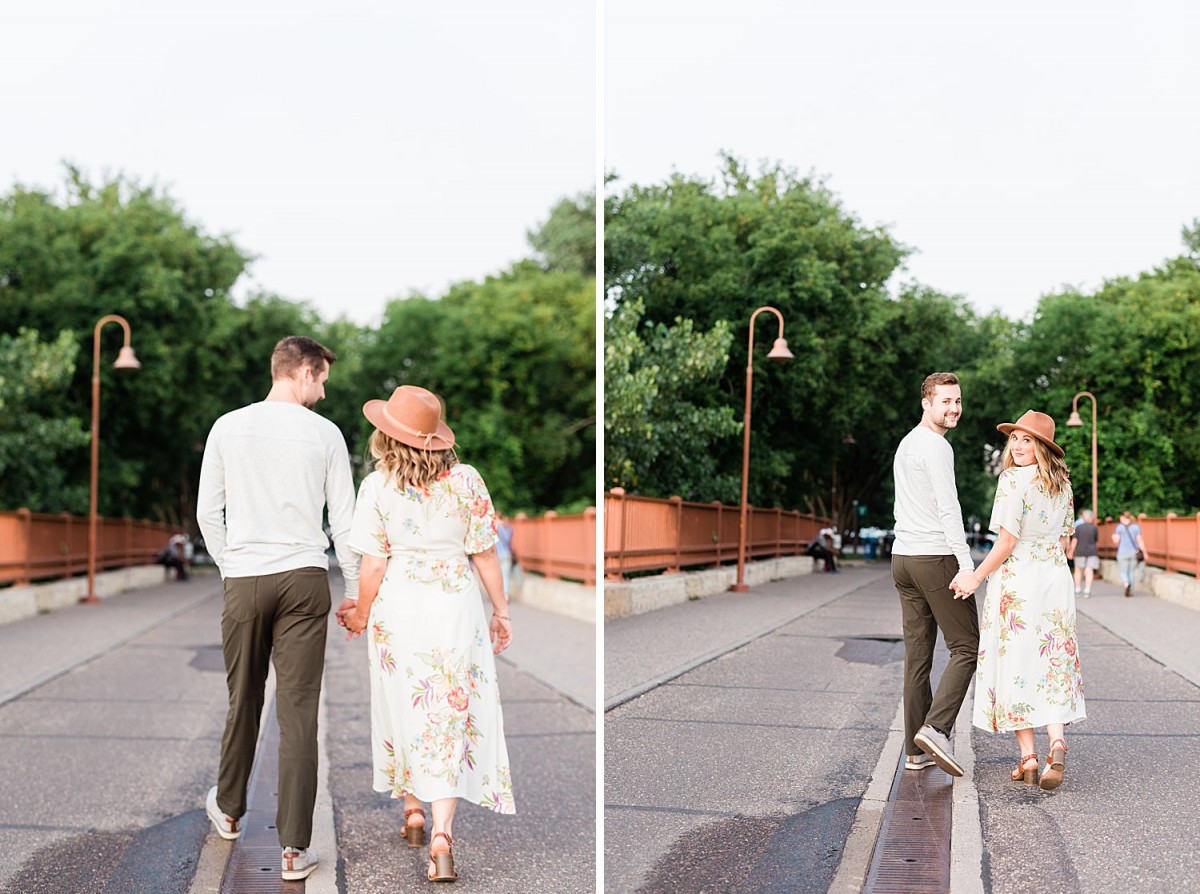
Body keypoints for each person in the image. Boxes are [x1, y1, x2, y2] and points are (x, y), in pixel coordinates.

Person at [196, 335, 361, 882]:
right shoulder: (326, 435)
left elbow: (207, 513)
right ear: (305, 372)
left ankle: (230, 810)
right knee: (298, 712)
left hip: (245, 576)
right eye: (322, 382)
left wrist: (229, 565)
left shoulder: (227, 425)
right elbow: (344, 525)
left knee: (242, 697)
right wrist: (355, 589)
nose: (323, 393)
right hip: (304, 577)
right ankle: (294, 849)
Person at [339, 385, 515, 883]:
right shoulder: (467, 480)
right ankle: (441, 835)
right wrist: (501, 612)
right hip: (455, 607)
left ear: (386, 435)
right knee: (449, 712)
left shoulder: (376, 486)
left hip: (399, 610)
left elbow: (373, 565)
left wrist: (360, 613)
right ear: (436, 438)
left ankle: (412, 811)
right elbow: (484, 553)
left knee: (406, 705)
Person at [962, 410, 1084, 791]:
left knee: (1017, 663)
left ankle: (1029, 758)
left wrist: (975, 577)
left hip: (1018, 582)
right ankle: (1057, 743)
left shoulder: (1013, 480)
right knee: (1053, 661)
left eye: (1027, 440)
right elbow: (1064, 538)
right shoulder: (1062, 484)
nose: (1016, 446)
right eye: (1014, 438)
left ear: (1042, 448)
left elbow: (1008, 541)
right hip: (1054, 579)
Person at [890, 372, 978, 776]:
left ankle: (915, 752)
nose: (954, 408)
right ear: (926, 402)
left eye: (957, 401)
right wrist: (966, 563)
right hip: (933, 556)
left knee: (918, 656)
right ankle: (936, 728)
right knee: (966, 646)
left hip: (902, 559)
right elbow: (948, 508)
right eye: (945, 401)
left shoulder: (906, 444)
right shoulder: (936, 447)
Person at [1113, 509, 1146, 598]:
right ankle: (1131, 590)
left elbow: (1116, 541)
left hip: (1122, 553)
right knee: (1131, 572)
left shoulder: (1119, 527)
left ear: (1122, 517)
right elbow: (1140, 541)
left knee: (1123, 572)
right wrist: (1145, 553)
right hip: (1133, 553)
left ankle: (1126, 584)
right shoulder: (1136, 527)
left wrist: (1113, 537)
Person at [1070, 509, 1100, 597]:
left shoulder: (1078, 528)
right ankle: (1087, 590)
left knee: (1078, 570)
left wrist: (1071, 552)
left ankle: (1077, 589)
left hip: (1080, 551)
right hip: (1092, 551)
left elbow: (1074, 541)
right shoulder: (1094, 528)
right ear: (1091, 518)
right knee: (1089, 570)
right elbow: (1095, 540)